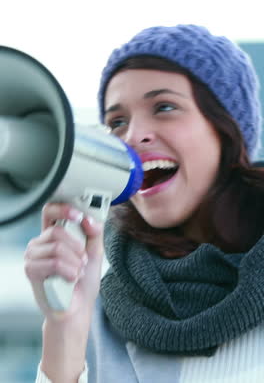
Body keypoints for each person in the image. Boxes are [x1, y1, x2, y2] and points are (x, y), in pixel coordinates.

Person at [24, 24, 264, 383]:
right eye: (117, 122)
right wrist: (65, 330)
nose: (133, 136)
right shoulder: (99, 309)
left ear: (227, 129)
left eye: (164, 107)